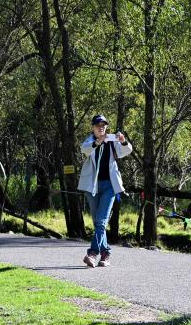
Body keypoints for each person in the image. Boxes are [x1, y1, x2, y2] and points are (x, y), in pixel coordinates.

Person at [77, 114, 133, 267]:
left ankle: (92, 253)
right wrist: (98, 142)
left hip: (110, 186)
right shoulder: (90, 141)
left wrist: (123, 141)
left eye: (104, 125)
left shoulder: (112, 141)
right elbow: (85, 149)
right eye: (98, 125)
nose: (101, 127)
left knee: (101, 221)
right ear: (93, 127)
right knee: (97, 223)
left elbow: (127, 150)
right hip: (92, 187)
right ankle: (106, 254)